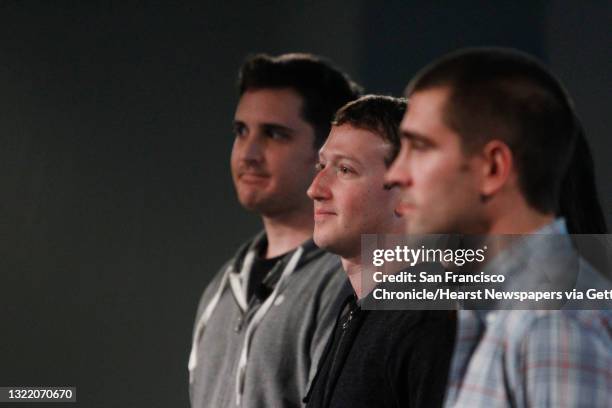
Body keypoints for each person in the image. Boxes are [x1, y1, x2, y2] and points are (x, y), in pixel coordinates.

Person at [385, 47, 612, 407]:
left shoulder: (552, 325)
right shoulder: (503, 311)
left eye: (421, 147)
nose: (395, 174)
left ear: (493, 168)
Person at [188, 53, 361, 408]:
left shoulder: (350, 280)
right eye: (241, 131)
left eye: (274, 134)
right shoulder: (223, 287)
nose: (248, 153)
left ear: (329, 151)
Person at [304, 95, 456, 408]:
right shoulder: (354, 310)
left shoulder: (430, 322)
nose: (315, 188)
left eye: (345, 169)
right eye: (322, 166)